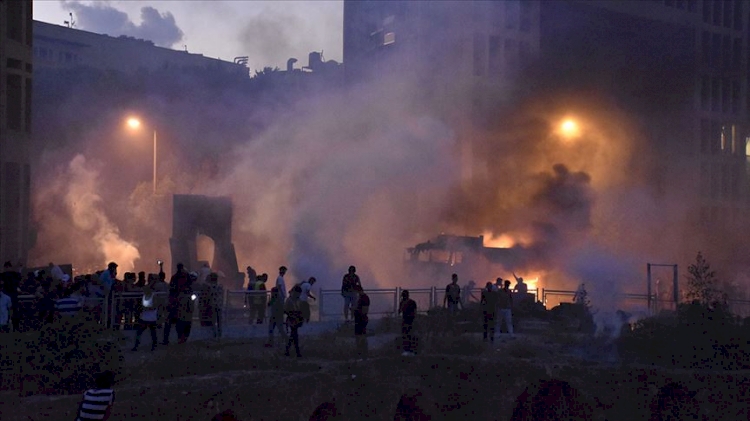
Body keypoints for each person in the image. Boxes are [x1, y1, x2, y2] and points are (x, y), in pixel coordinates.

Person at [131, 282, 158, 352]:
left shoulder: (153, 296)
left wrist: (146, 308)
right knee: (139, 332)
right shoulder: (143, 296)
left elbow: (155, 306)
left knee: (153, 333)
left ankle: (154, 346)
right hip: (144, 318)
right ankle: (136, 346)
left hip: (151, 318)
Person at [284, 285, 304, 357]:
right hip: (291, 319)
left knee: (293, 336)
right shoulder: (289, 300)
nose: (299, 295)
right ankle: (296, 352)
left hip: (296, 320)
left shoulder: (298, 300)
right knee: (294, 336)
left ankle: (288, 351)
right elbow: (286, 310)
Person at [1, 261, 21, 332]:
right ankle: (15, 326)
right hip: (13, 294)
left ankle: (8, 325)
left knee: (6, 311)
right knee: (15, 310)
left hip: (6, 295)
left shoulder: (3, 275)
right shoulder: (15, 274)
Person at [352, 284, 370, 360]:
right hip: (358, 320)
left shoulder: (365, 298)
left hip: (361, 320)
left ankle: (363, 355)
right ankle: (361, 355)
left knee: (361, 338)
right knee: (359, 338)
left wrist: (355, 310)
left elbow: (364, 311)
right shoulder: (360, 298)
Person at [205, 272, 224, 339]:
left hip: (213, 305)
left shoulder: (209, 287)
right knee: (219, 321)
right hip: (219, 305)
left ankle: (214, 335)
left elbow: (208, 295)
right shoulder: (220, 286)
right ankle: (220, 335)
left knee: (213, 321)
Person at [399, 289, 417, 356]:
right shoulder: (402, 303)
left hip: (410, 320)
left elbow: (414, 312)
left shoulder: (412, 302)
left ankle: (411, 350)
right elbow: (400, 311)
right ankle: (406, 350)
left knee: (410, 335)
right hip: (405, 320)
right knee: (405, 335)